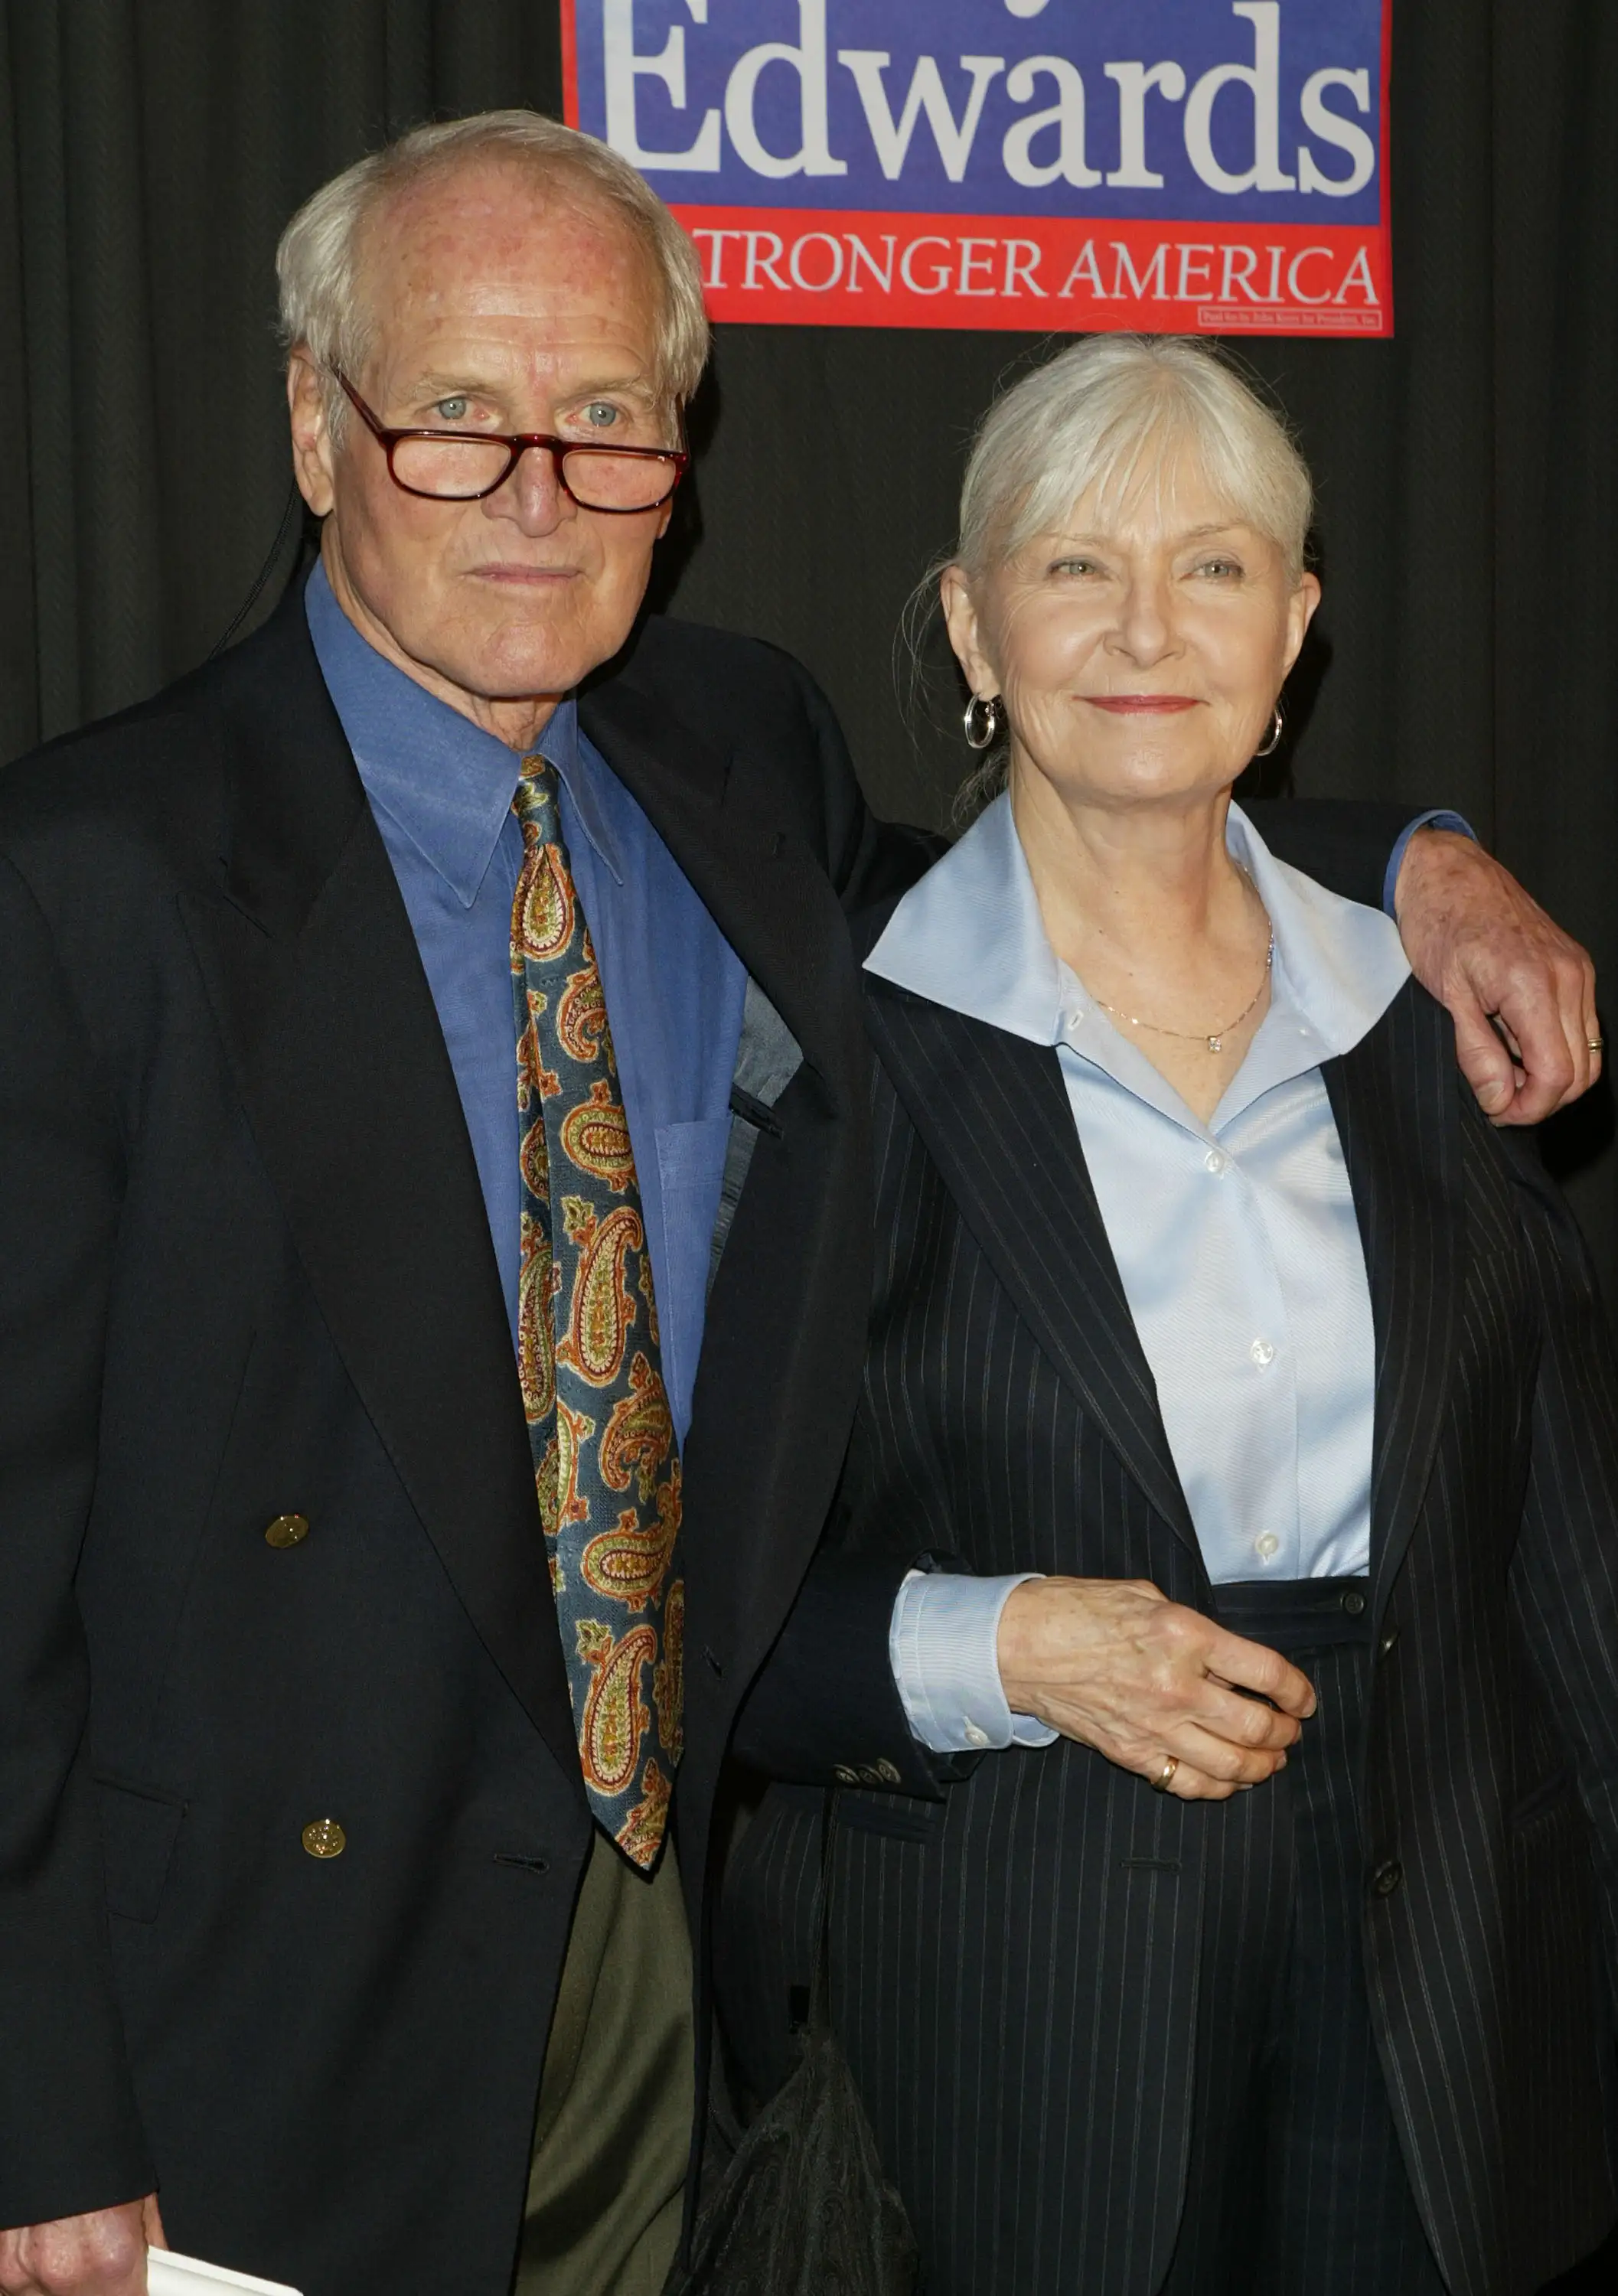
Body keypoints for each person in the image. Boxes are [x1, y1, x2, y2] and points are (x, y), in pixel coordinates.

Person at [0, 111, 1597, 2296]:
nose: (538, 495)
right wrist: (35, 2109)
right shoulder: (86, 878)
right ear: (315, 425)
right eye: (456, 417)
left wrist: (1411, 854)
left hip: (656, 1954)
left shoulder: (728, 756)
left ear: (684, 440)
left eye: (607, 422)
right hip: (262, 2000)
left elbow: (1092, 838)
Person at [716, 336, 1618, 2296]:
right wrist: (1007, 1645)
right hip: (1016, 2023)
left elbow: (1564, 1556)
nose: (1145, 628)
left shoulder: (1422, 1018)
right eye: (1070, 567)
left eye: (1212, 568)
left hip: (1446, 2005)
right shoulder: (823, 1053)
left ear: (1293, 629)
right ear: (969, 624)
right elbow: (683, 1607)